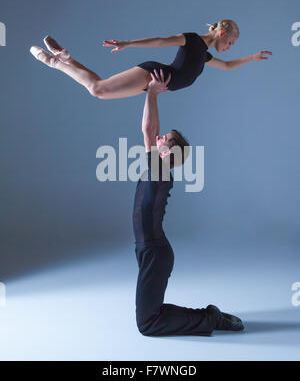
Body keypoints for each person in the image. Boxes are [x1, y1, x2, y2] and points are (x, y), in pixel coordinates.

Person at [132, 68, 244, 336]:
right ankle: (207, 316)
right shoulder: (155, 165)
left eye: (165, 139)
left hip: (155, 253)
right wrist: (151, 93)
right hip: (147, 250)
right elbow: (149, 131)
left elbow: (149, 131)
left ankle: (209, 319)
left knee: (147, 324)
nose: (159, 138)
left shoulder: (160, 172)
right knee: (150, 314)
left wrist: (152, 92)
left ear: (169, 151)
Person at [29, 19, 272, 100]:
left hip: (152, 84)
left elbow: (227, 66)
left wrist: (252, 57)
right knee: (97, 90)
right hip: (153, 74)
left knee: (99, 89)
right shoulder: (192, 40)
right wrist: (128, 43)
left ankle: (65, 59)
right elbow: (160, 40)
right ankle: (54, 61)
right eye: (230, 42)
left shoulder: (205, 55)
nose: (229, 48)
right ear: (221, 33)